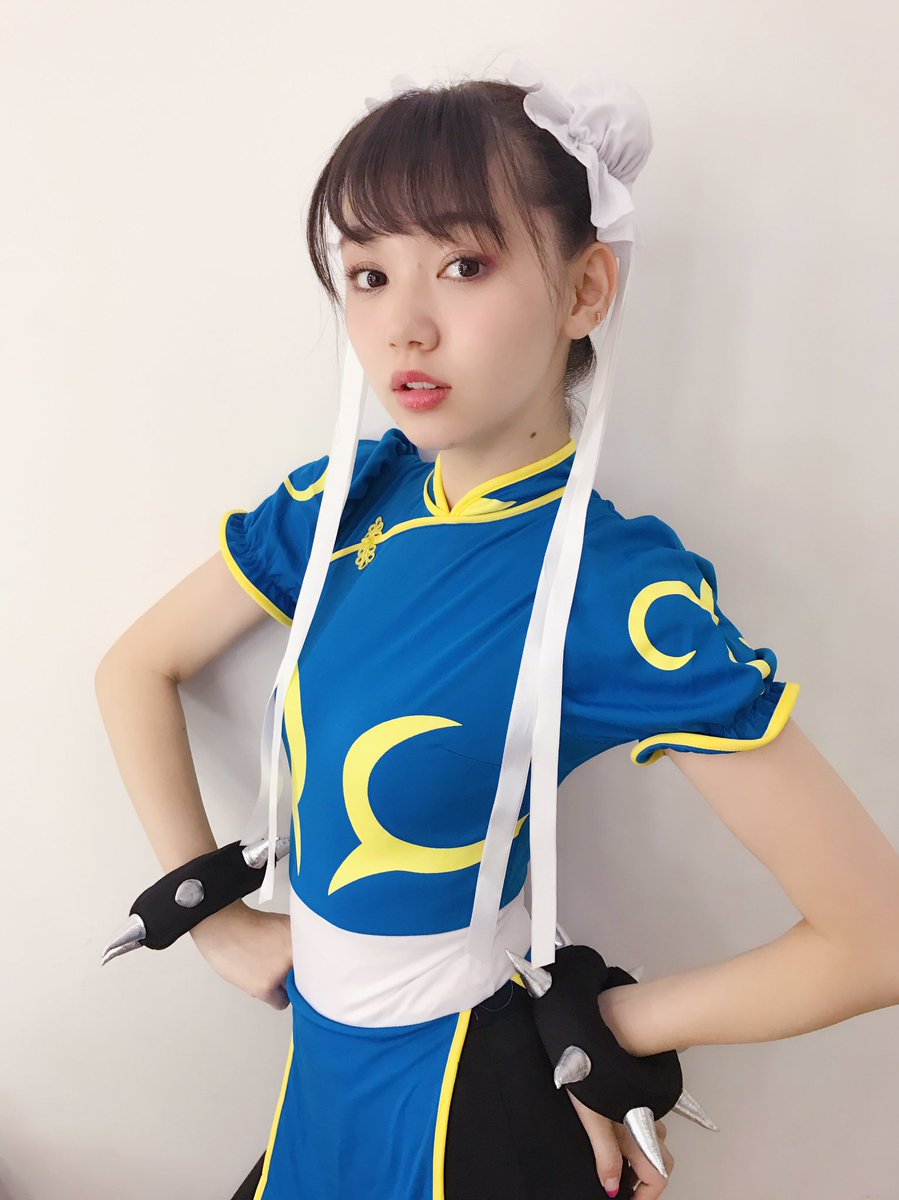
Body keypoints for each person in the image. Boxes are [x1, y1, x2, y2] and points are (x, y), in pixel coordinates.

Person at [94, 64, 899, 1200]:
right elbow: (134, 667)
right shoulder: (345, 502)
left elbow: (873, 938)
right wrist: (215, 917)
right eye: (368, 274)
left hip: (470, 1112)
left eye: (463, 265)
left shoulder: (615, 591)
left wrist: (608, 1025)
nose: (403, 327)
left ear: (584, 289)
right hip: (315, 1087)